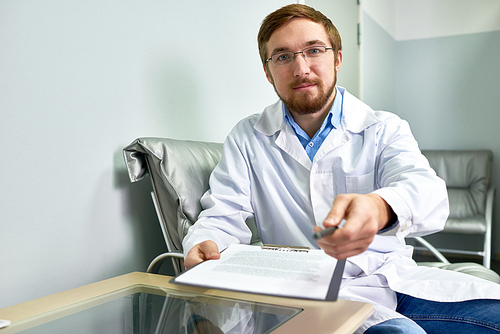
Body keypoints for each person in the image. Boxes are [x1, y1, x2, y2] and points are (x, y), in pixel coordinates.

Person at [182, 4, 500, 333]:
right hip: (308, 293)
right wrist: (204, 242)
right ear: (268, 72)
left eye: (314, 50)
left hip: (391, 277)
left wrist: (378, 207)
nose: (301, 68)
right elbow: (223, 214)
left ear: (337, 59)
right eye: (283, 56)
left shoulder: (383, 128)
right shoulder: (247, 137)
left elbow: (427, 192)